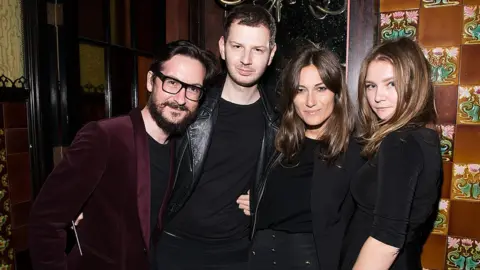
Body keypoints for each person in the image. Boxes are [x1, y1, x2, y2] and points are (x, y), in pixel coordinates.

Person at [28, 40, 218, 270]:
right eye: (172, 83)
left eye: (193, 89)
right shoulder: (105, 137)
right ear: (151, 81)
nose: (180, 98)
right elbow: (46, 221)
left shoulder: (180, 149)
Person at [153, 4, 278, 270]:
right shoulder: (190, 103)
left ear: (271, 54)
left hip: (237, 254)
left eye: (257, 49)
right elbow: (143, 150)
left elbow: (303, 181)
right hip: (174, 247)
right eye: (237, 47)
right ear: (222, 47)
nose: (246, 59)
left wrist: (267, 201)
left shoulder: (278, 119)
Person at [242, 44, 365, 270]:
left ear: (336, 93)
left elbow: (362, 229)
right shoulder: (278, 143)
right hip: (258, 258)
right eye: (300, 90)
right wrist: (258, 200)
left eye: (321, 89)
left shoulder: (354, 153)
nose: (310, 101)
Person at [340, 37, 443, 270]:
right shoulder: (425, 137)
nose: (378, 97)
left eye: (391, 84)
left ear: (414, 84)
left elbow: (386, 243)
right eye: (371, 85)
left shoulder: (400, 141)